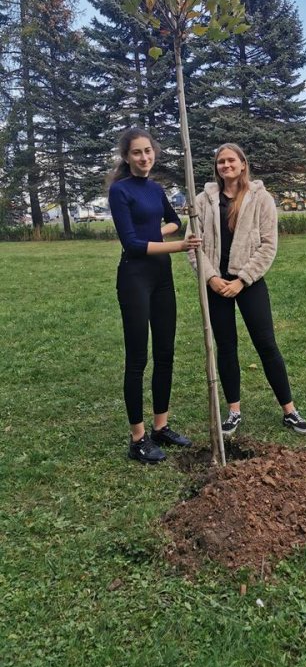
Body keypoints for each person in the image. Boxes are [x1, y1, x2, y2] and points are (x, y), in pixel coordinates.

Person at [187, 143, 306, 436]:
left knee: (266, 344)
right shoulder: (204, 201)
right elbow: (193, 245)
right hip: (216, 284)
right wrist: (211, 278)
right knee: (226, 347)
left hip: (249, 283)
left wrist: (242, 279)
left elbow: (269, 245)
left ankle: (289, 410)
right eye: (221, 162)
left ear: (243, 164)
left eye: (231, 160)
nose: (226, 166)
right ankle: (233, 411)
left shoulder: (261, 199)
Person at [108, 128, 201, 464]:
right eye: (137, 152)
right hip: (135, 278)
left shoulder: (156, 189)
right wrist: (179, 246)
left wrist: (157, 233)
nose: (144, 157)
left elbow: (174, 220)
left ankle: (161, 427)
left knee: (165, 353)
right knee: (138, 359)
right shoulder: (120, 192)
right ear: (127, 157)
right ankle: (138, 439)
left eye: (148, 151)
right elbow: (131, 244)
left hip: (162, 277)